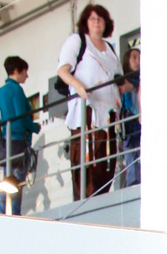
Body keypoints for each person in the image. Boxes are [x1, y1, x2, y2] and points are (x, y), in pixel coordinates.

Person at [57, 4, 122, 200]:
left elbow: (119, 80)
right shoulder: (78, 41)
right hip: (86, 113)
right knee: (88, 159)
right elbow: (63, 70)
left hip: (108, 115)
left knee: (106, 161)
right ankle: (86, 200)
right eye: (93, 18)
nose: (97, 22)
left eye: (100, 19)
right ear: (86, 22)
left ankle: (100, 198)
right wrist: (78, 87)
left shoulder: (110, 49)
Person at [0, 56, 40, 215]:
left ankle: (3, 211)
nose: (26, 76)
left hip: (7, 139)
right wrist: (35, 126)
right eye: (24, 72)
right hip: (19, 141)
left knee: (7, 177)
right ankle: (14, 213)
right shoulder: (17, 90)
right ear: (17, 71)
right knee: (17, 180)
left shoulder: (1, 92)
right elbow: (21, 117)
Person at [120, 46, 140, 187]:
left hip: (142, 121)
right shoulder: (124, 81)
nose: (138, 61)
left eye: (139, 58)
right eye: (134, 57)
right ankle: (133, 182)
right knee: (131, 154)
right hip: (131, 121)